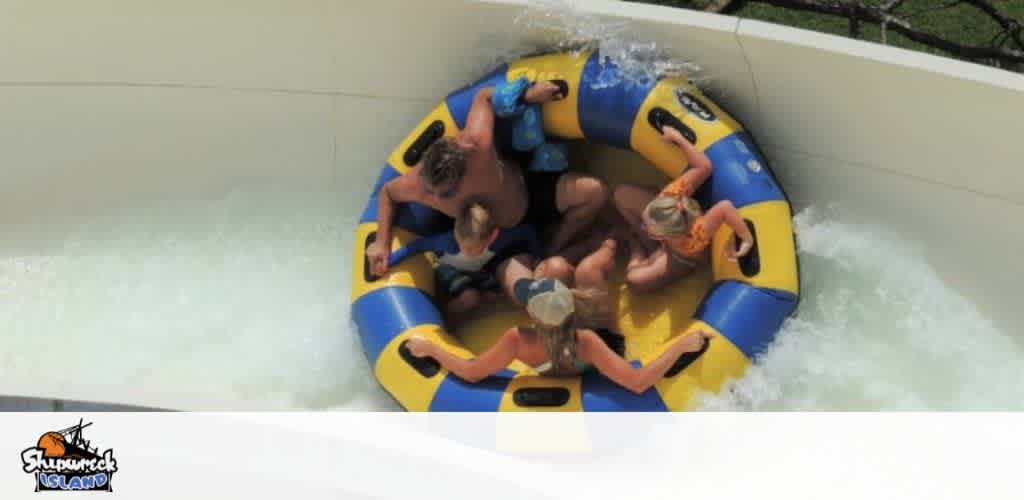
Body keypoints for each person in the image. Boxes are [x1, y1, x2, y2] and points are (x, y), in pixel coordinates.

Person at [365, 79, 609, 284]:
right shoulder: (420, 185)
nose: (435, 197)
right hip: (499, 241)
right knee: (527, 289)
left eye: (446, 193)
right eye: (431, 191)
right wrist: (381, 243)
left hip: (531, 191)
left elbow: (484, 97)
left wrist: (529, 93)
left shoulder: (476, 144)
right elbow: (387, 192)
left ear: (464, 171)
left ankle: (555, 246)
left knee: (595, 192)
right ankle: (553, 257)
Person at [404, 239, 713, 395]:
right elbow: (637, 382)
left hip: (557, 354)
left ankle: (603, 244)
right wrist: (681, 345)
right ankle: (614, 242)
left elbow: (471, 372)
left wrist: (431, 349)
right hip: (590, 357)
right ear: (572, 308)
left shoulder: (518, 340)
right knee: (590, 271)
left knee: (581, 272)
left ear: (532, 316)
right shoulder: (589, 342)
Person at [612, 125, 755, 293]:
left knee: (634, 282)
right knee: (621, 194)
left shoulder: (697, 234)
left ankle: (636, 244)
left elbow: (725, 208)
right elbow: (704, 167)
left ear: (665, 236)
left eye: (649, 230)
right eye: (646, 220)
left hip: (681, 257)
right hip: (669, 232)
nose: (644, 225)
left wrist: (746, 237)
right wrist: (678, 138)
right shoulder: (671, 195)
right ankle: (649, 246)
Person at [387, 199, 542, 316]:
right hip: (448, 268)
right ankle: (441, 314)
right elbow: (416, 246)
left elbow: (527, 231)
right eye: (461, 243)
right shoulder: (447, 242)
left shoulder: (499, 238)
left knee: (493, 295)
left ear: (492, 236)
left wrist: (537, 256)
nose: (464, 250)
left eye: (472, 248)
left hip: (477, 270)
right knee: (470, 298)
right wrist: (389, 260)